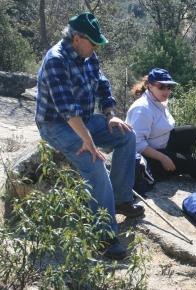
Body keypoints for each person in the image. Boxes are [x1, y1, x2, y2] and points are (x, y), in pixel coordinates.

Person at [35, 12, 144, 260]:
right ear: (76, 38)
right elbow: (67, 110)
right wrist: (89, 142)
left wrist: (109, 114)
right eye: (93, 42)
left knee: (126, 135)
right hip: (56, 125)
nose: (96, 47)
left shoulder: (88, 55)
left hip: (83, 120)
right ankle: (104, 236)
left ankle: (120, 199)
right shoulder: (56, 60)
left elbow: (102, 83)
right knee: (94, 164)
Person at [126, 68, 196, 191]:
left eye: (169, 87)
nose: (166, 90)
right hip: (149, 156)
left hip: (162, 142)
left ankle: (177, 166)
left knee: (191, 132)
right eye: (161, 86)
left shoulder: (158, 101)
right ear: (149, 86)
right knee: (190, 163)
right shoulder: (142, 109)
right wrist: (164, 158)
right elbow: (137, 144)